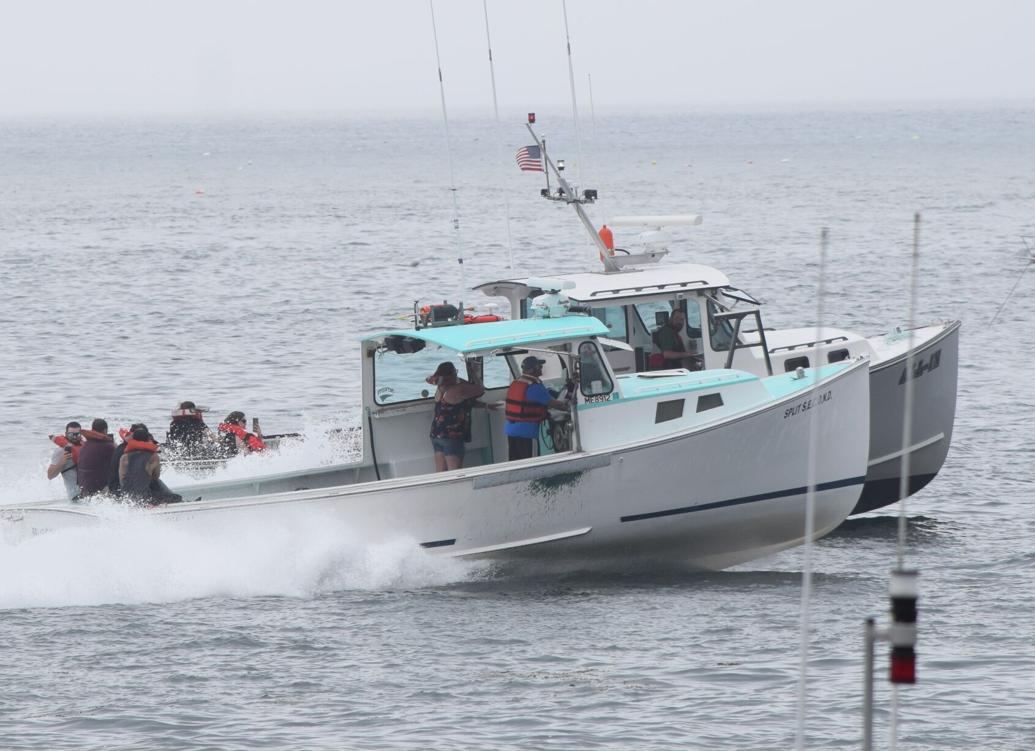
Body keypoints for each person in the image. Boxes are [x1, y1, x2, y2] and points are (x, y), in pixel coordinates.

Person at [504, 356, 569, 461]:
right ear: (531, 370)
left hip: (511, 431)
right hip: (526, 433)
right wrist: (569, 405)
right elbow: (556, 404)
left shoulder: (517, 383)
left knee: (516, 463)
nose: (541, 367)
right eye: (539, 366)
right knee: (531, 463)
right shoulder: (534, 387)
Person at [426, 361, 486, 471]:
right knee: (455, 472)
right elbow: (480, 390)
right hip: (451, 435)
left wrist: (485, 405)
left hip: (436, 433)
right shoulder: (458, 389)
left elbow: (458, 405)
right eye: (455, 372)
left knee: (441, 472)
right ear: (452, 374)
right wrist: (473, 374)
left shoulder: (440, 388)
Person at [118, 428, 183, 505]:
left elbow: (122, 479)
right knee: (176, 497)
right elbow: (156, 476)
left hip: (127, 496)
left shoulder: (124, 457)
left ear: (133, 440)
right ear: (147, 440)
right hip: (145, 497)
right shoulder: (153, 457)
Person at [76, 418, 115, 498]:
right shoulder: (108, 446)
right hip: (98, 487)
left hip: (83, 485)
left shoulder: (85, 445)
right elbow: (116, 463)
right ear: (105, 430)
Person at [46, 421, 82, 499]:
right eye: (71, 434)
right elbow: (50, 475)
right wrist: (62, 462)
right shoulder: (60, 451)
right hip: (75, 497)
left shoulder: (86, 447)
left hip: (90, 493)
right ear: (66, 434)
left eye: (77, 434)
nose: (74, 437)